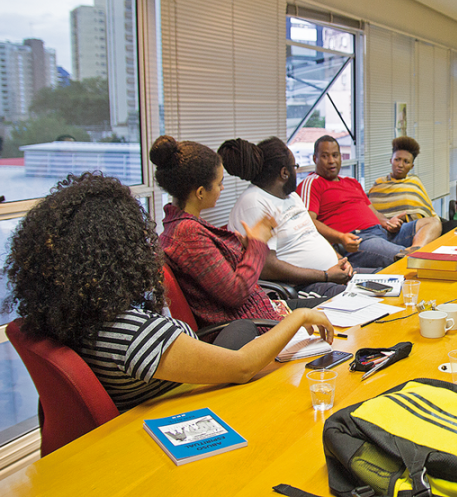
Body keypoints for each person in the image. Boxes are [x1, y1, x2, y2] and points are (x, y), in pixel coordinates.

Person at [1, 173, 333, 412]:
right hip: (184, 406)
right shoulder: (130, 333)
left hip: (168, 387)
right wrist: (300, 316)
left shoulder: (69, 314)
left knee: (244, 330)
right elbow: (242, 366)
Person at [151, 135, 283, 329]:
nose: (222, 188)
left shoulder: (184, 227)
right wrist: (257, 244)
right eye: (219, 182)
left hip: (260, 318)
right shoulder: (187, 234)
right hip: (251, 332)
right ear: (200, 192)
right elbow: (235, 292)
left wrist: (244, 247)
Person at [218, 137, 353, 298]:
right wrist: (326, 275)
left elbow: (312, 235)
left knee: (384, 282)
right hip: (303, 286)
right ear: (284, 173)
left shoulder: (291, 196)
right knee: (371, 299)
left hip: (332, 275)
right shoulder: (254, 203)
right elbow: (268, 267)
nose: (297, 171)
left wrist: (340, 261)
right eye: (295, 167)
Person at [297, 135, 441, 269]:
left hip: (382, 232)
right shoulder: (312, 183)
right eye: (324, 156)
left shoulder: (351, 182)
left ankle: (415, 250)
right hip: (358, 239)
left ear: (341, 157)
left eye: (335, 155)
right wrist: (341, 238)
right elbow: (308, 222)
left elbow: (372, 211)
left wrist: (387, 222)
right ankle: (411, 255)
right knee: (410, 261)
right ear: (315, 159)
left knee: (433, 222)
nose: (331, 161)